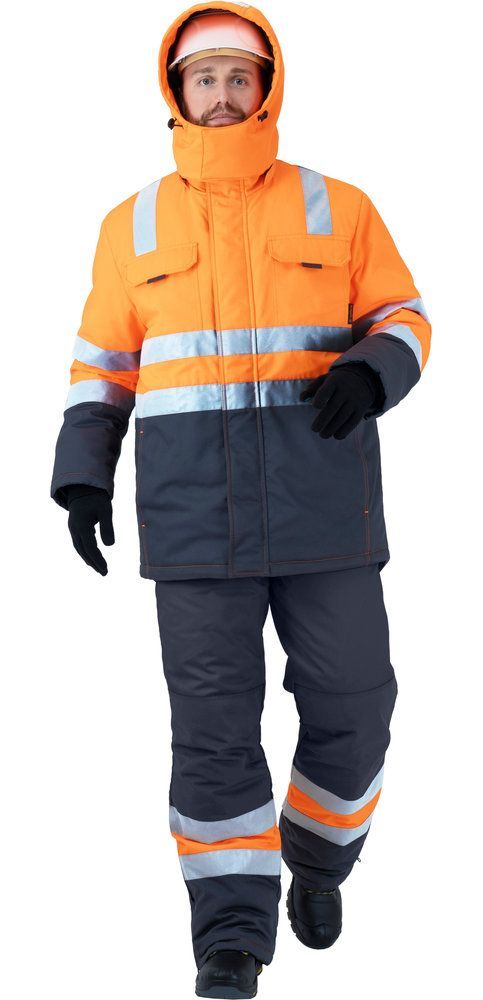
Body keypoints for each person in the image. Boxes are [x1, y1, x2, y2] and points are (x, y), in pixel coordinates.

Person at [50, 3, 432, 997]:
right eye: (202, 77)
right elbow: (103, 364)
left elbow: (403, 314)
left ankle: (319, 854)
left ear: (268, 87)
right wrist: (84, 469)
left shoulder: (337, 205)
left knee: (356, 700)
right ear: (175, 91)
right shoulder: (130, 224)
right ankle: (230, 934)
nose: (220, 94)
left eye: (238, 76)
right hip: (193, 519)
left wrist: (374, 370)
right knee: (213, 731)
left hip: (324, 504)